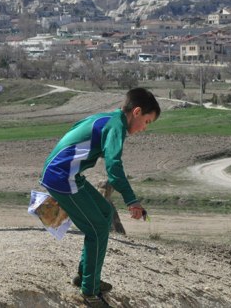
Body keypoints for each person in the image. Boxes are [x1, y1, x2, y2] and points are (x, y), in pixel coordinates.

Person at [39, 87, 161, 307]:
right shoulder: (116, 126)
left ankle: (84, 274)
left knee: (104, 213)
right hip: (62, 176)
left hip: (66, 174)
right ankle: (90, 292)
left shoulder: (109, 118)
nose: (145, 128)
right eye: (147, 121)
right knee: (97, 229)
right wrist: (131, 200)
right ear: (137, 112)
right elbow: (114, 166)